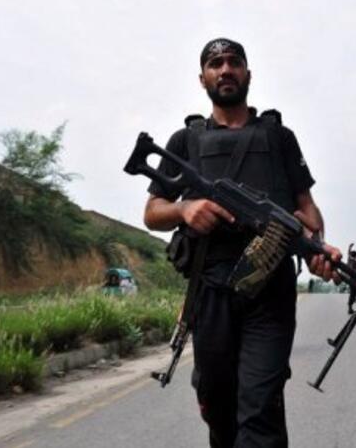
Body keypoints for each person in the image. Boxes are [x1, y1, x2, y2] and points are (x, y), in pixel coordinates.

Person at [142, 38, 340, 448]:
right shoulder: (185, 141)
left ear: (248, 73)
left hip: (270, 292)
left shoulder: (279, 137)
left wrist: (316, 247)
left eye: (234, 62)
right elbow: (152, 212)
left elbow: (307, 208)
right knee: (217, 403)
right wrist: (185, 209)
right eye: (215, 63)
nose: (225, 69)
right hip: (210, 289)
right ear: (203, 79)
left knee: (260, 407)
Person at [347, 249, 356, 314]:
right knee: (355, 294)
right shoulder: (353, 262)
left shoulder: (350, 261)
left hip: (352, 280)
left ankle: (351, 308)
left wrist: (349, 248)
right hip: (354, 280)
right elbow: (353, 270)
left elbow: (348, 255)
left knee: (354, 294)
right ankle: (350, 309)